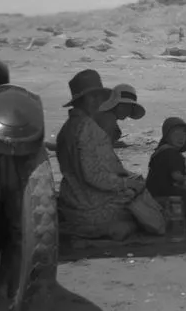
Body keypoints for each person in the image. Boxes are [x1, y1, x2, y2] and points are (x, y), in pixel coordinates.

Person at [55, 70, 145, 241]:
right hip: (90, 207)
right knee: (144, 207)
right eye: (93, 97)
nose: (98, 101)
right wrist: (127, 183)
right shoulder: (87, 129)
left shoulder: (69, 127)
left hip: (72, 200)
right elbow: (94, 176)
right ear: (84, 100)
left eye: (98, 97)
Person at [146, 117, 186, 201]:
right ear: (167, 136)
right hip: (164, 195)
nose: (181, 138)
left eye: (184, 134)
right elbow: (176, 176)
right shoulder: (171, 153)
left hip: (152, 192)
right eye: (176, 134)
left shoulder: (161, 150)